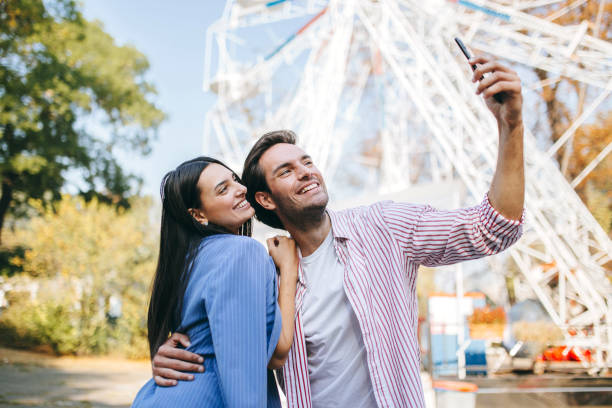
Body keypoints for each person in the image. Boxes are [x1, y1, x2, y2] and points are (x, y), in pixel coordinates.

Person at [151, 55, 525, 407]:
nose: (305, 172)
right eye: (286, 171)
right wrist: (171, 354)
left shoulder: (384, 227)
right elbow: (237, 349)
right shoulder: (270, 274)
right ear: (264, 200)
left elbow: (494, 229)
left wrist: (511, 125)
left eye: (307, 162)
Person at [132, 157, 299, 407]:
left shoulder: (187, 262)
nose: (241, 188)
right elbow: (266, 361)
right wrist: (288, 268)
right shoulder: (242, 252)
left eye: (234, 179)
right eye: (223, 189)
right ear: (198, 214)